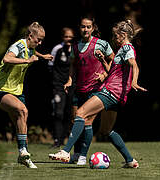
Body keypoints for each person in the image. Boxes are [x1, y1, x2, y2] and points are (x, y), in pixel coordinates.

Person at [49, 20, 146, 168]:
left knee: (81, 114)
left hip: (111, 92)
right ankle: (130, 161)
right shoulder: (121, 49)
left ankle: (66, 151)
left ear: (123, 34)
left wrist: (134, 82)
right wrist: (102, 61)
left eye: (115, 35)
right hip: (116, 94)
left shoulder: (127, 48)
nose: (113, 38)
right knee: (106, 130)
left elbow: (134, 64)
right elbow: (114, 71)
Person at [49, 16, 115, 165]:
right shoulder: (76, 46)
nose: (85, 29)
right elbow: (73, 64)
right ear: (79, 28)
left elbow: (114, 60)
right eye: (83, 27)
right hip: (79, 89)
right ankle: (76, 154)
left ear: (93, 28)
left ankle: (83, 156)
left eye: (88, 27)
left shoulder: (102, 44)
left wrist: (104, 75)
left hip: (95, 90)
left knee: (87, 122)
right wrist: (70, 80)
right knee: (75, 121)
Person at [0, 22, 53, 168]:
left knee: (21, 120)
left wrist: (42, 56)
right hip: (0, 89)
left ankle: (23, 155)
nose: (40, 42)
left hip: (16, 90)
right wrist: (27, 61)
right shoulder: (17, 46)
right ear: (30, 36)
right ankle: (24, 152)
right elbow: (7, 58)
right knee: (23, 110)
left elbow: (33, 52)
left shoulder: (30, 47)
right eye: (38, 40)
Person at [48, 27, 75, 148]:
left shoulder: (76, 49)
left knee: (70, 113)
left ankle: (65, 139)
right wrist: (56, 83)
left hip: (72, 86)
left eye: (70, 37)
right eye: (66, 36)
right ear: (62, 37)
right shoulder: (57, 49)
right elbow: (50, 67)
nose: (68, 39)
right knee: (58, 112)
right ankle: (57, 140)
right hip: (59, 86)